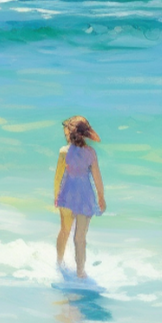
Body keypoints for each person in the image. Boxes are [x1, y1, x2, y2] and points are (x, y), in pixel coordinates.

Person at [53, 115, 107, 275]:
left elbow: (58, 177)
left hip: (67, 195)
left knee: (65, 230)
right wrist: (101, 197)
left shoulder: (64, 152)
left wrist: (56, 195)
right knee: (80, 238)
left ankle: (59, 263)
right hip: (85, 197)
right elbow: (97, 178)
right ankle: (80, 272)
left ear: (70, 132)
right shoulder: (91, 153)